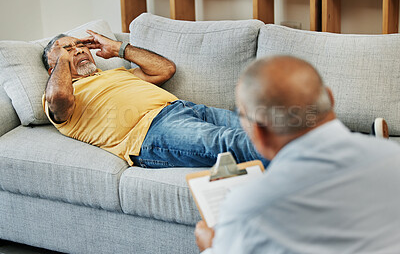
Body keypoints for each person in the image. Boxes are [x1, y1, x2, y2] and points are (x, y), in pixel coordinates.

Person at [195, 56, 400, 253]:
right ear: (330, 97)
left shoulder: (248, 207)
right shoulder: (394, 157)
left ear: (258, 131)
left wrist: (210, 247)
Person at [41, 31, 269, 168]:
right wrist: (63, 57)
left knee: (264, 124)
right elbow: (58, 96)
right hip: (150, 132)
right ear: (54, 67)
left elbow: (166, 69)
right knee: (232, 142)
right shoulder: (59, 97)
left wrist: (119, 48)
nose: (79, 50)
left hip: (185, 109)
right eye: (68, 49)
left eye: (80, 45)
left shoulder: (116, 74)